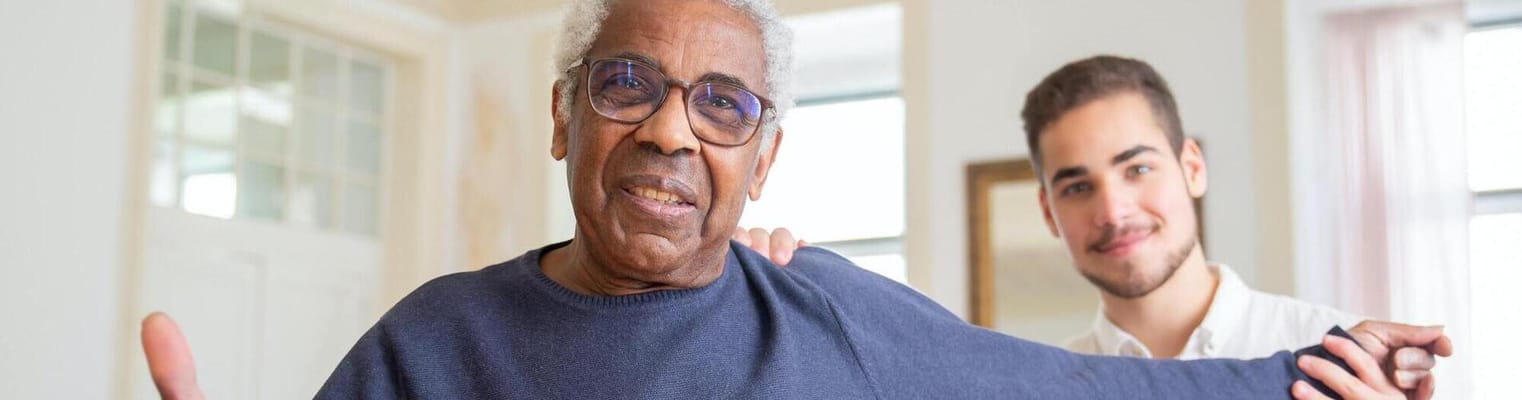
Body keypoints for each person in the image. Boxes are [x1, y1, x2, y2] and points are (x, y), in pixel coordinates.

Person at [143, 0, 1451, 398]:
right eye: (625, 83)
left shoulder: (833, 321)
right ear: (562, 114)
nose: (667, 128)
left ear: (761, 159)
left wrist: (1321, 368)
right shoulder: (430, 347)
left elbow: (1083, 394)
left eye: (720, 105)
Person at [740, 56, 1449, 398]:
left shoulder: (1344, 364)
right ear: (1048, 211)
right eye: (1078, 186)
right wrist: (761, 295)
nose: (1111, 211)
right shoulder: (1035, 386)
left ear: (1192, 167)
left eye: (1137, 169)